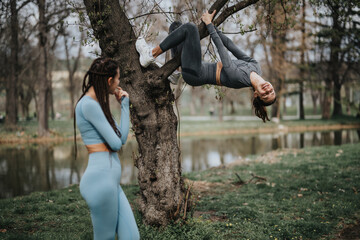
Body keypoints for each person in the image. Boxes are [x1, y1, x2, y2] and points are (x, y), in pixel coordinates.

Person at [136, 10, 276, 122]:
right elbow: (231, 46)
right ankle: (176, 72)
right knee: (176, 27)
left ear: (256, 94)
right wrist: (214, 28)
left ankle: (150, 54)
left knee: (190, 28)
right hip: (198, 66)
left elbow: (222, 51)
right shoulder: (256, 67)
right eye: (271, 91)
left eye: (265, 95)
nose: (268, 90)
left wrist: (209, 25)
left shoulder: (240, 79)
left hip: (196, 74)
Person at [74, 57, 140, 240]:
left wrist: (124, 106)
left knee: (132, 237)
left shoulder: (98, 105)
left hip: (110, 184)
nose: (119, 83)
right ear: (110, 80)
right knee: (105, 237)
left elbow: (122, 137)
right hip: (99, 183)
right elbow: (116, 144)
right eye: (118, 78)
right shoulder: (88, 105)